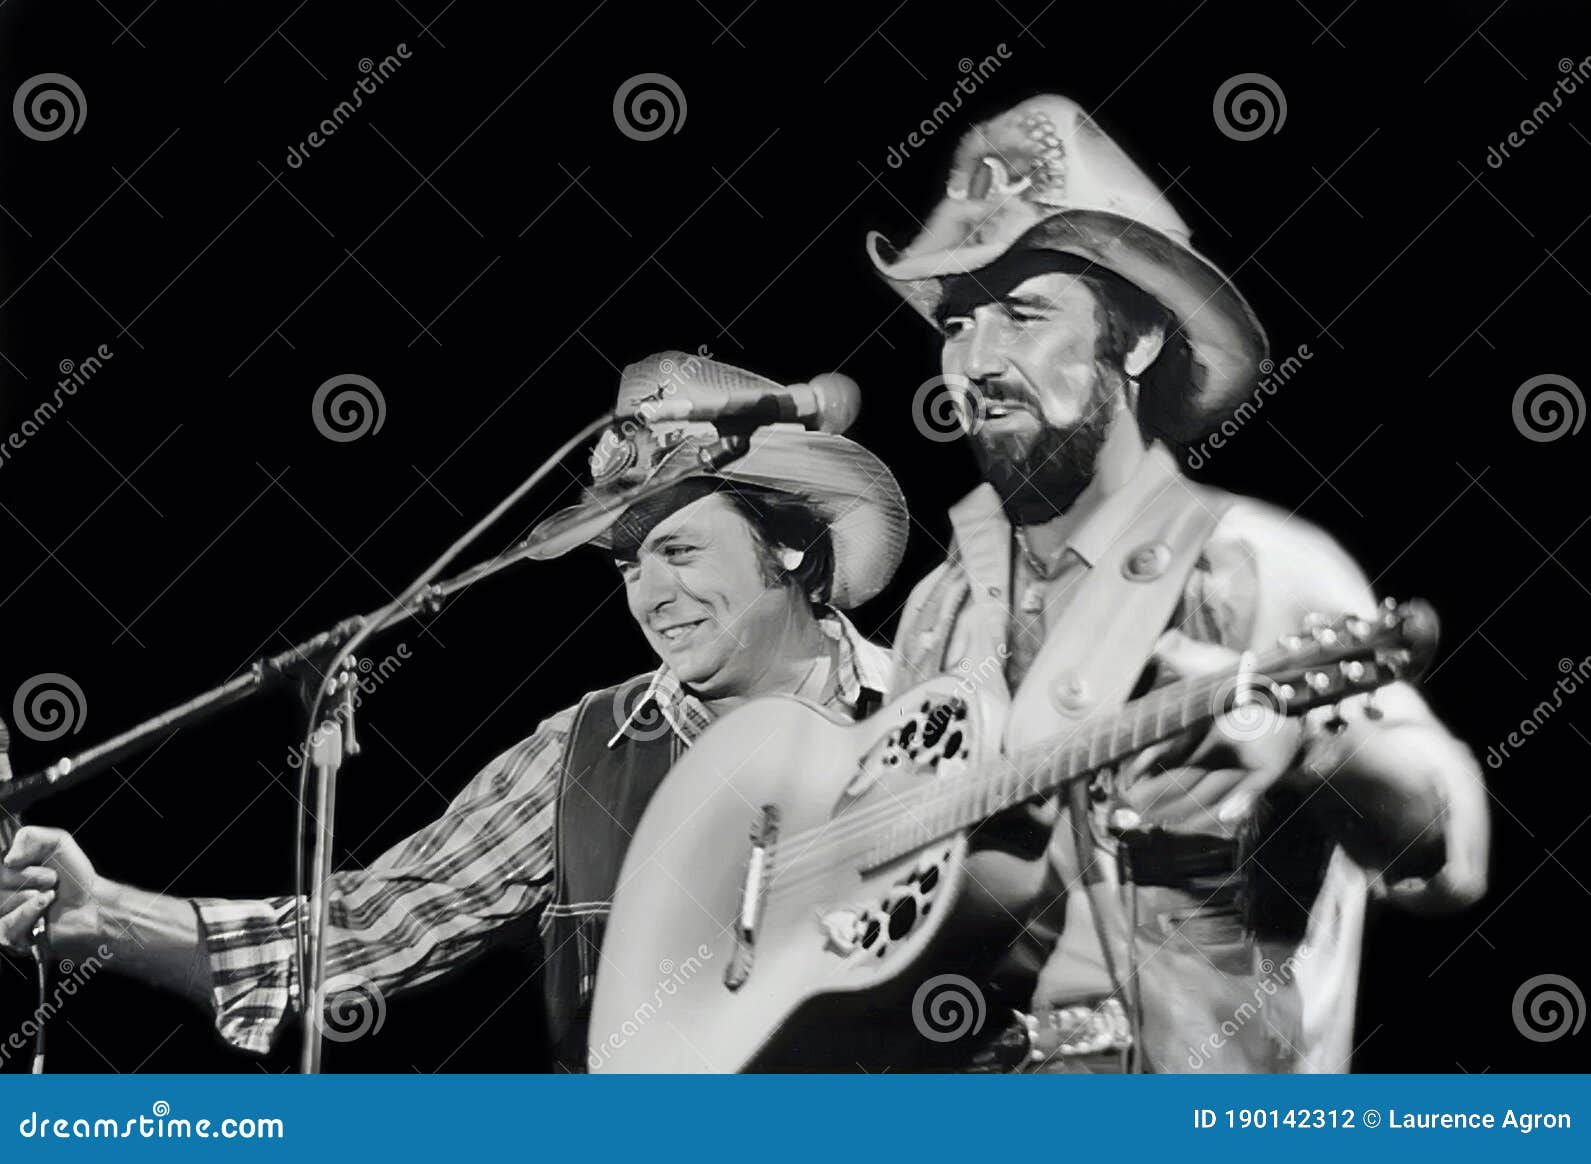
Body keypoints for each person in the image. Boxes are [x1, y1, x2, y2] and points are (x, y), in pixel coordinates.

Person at [0, 352, 908, 1073]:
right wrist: (109, 917)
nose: (651, 596)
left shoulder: (928, 701)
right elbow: (370, 926)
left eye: (676, 548)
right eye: (629, 567)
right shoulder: (581, 754)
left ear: (787, 541)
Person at [868, 95, 1489, 1072]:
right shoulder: (937, 608)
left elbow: (1447, 844)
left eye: (1023, 314)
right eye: (956, 323)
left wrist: (1308, 745)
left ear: (1142, 339)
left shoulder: (1251, 562)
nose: (975, 362)